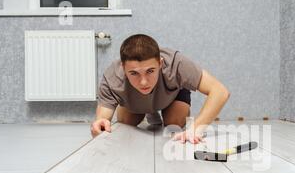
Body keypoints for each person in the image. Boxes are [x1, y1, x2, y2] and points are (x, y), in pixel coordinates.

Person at [90, 34, 230, 144]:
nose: (143, 82)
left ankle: (156, 109)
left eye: (150, 71)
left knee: (174, 124)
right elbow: (102, 119)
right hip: (134, 100)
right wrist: (100, 124)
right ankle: (150, 111)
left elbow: (220, 91)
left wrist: (196, 129)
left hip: (171, 95)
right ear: (123, 68)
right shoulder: (112, 77)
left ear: (160, 63)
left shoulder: (176, 63)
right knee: (126, 122)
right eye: (134, 73)